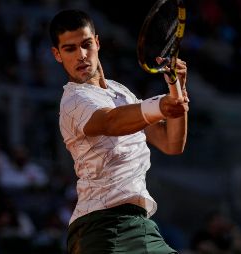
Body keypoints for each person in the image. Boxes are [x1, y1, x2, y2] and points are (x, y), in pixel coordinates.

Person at [49, 9, 189, 254]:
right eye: (70, 49)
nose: (81, 55)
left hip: (138, 226)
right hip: (103, 228)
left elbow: (171, 144)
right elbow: (110, 122)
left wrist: (176, 87)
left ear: (97, 42)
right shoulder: (74, 100)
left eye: (86, 44)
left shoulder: (120, 92)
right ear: (57, 55)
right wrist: (159, 105)